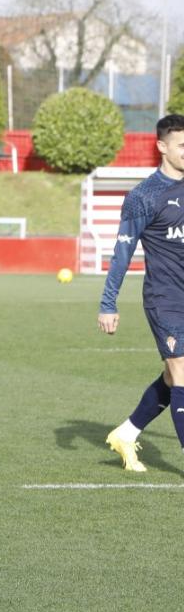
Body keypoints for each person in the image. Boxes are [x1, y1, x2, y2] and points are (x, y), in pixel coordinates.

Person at [98, 113, 184, 472]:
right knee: (181, 373)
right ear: (162, 146)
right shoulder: (144, 196)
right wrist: (108, 303)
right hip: (165, 300)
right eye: (182, 145)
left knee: (170, 377)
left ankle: (127, 432)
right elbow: (122, 252)